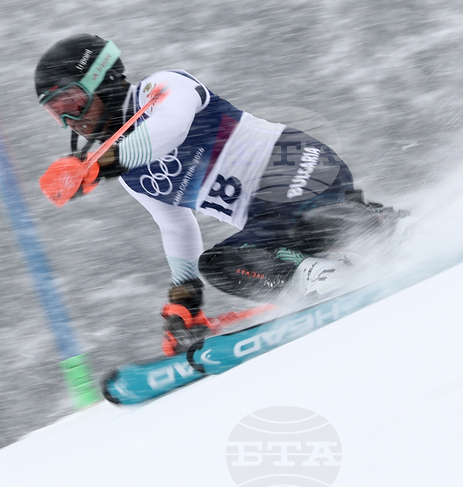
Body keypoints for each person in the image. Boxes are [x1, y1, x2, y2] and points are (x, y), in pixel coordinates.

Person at [35, 34, 400, 355]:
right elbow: (177, 228)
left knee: (309, 218)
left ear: (104, 82)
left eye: (73, 102)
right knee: (220, 264)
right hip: (269, 220)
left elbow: (170, 128)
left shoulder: (161, 88)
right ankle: (325, 273)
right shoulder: (129, 172)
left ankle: (378, 229)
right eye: (57, 113)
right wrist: (186, 298)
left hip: (300, 166)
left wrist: (101, 166)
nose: (71, 121)